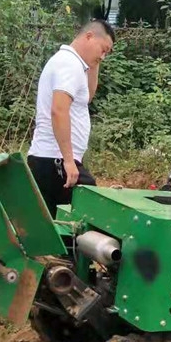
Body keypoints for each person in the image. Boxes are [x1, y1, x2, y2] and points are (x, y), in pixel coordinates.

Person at [27, 19, 115, 217]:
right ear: (89, 36)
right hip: (55, 159)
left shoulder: (74, 64)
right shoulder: (69, 64)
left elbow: (87, 97)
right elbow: (59, 110)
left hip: (50, 158)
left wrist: (94, 63)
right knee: (89, 209)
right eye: (103, 49)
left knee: (55, 226)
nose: (103, 56)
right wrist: (68, 160)